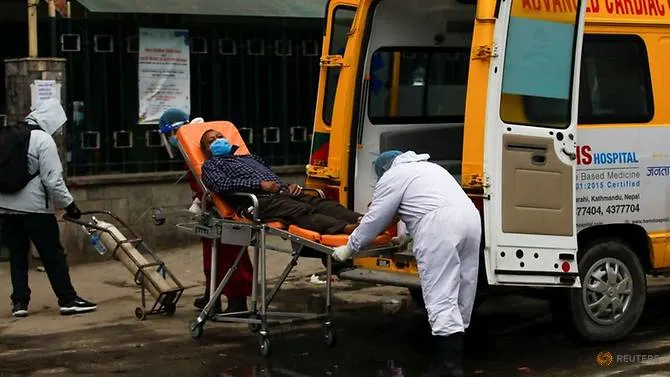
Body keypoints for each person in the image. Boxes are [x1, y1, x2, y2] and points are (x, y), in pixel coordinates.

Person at [332, 150, 481, 377]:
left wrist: (350, 248)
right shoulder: (431, 168)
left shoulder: (394, 175)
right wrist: (404, 238)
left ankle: (449, 368)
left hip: (440, 227)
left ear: (383, 170)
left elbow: (376, 218)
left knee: (440, 294)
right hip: (470, 220)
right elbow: (424, 205)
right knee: (463, 288)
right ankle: (455, 358)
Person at [0, 98, 97, 317]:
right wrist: (69, 205)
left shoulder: (10, 136)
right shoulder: (43, 139)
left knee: (17, 255)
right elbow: (53, 180)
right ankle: (68, 299)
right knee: (52, 254)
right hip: (35, 210)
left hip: (6, 208)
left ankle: (19, 304)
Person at [158, 109, 253, 314]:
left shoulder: (214, 156)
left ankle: (237, 301)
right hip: (211, 208)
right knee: (212, 256)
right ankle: (213, 296)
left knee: (231, 255)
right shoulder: (192, 153)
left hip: (226, 209)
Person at [200, 129, 363, 235]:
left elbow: (272, 178)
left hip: (282, 193)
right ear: (207, 150)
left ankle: (362, 220)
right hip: (257, 201)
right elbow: (220, 185)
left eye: (220, 136)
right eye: (212, 140)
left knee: (323, 203)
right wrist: (258, 185)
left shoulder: (249, 158)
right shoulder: (211, 165)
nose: (218, 140)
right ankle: (345, 228)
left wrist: (288, 185)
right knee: (300, 210)